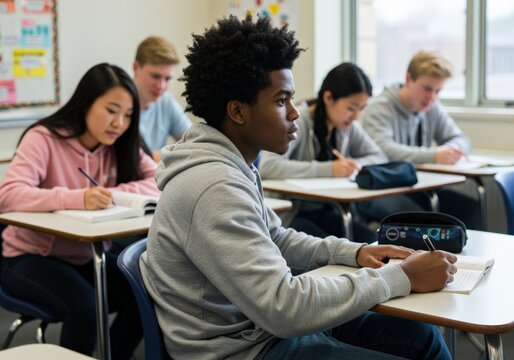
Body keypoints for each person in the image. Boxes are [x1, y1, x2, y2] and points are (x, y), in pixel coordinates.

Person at [140, 15, 456, 360]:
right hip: (242, 349)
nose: (294, 114)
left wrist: (354, 253)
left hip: (260, 329)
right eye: (281, 101)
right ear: (237, 111)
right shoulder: (213, 185)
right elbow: (284, 307)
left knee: (419, 338)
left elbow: (277, 238)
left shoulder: (232, 165)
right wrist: (401, 277)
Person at [0, 63, 160, 359]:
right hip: (29, 258)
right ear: (86, 102)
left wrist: (113, 194)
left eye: (127, 115)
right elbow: (8, 195)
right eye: (112, 110)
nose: (120, 123)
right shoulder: (44, 138)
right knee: (85, 306)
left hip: (87, 257)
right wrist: (77, 198)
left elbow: (159, 181)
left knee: (147, 293)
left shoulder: (119, 143)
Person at [258, 62, 387, 243]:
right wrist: (330, 169)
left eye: (362, 109)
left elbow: (380, 156)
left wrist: (355, 165)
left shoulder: (347, 127)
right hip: (293, 215)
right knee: (333, 248)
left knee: (371, 240)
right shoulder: (299, 121)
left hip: (328, 209)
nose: (356, 116)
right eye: (351, 108)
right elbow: (268, 167)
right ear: (328, 97)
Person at [361, 50, 481, 229]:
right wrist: (434, 156)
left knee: (470, 209)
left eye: (438, 91)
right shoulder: (379, 108)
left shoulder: (432, 107)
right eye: (427, 88)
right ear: (409, 79)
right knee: (423, 220)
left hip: (418, 187)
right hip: (381, 190)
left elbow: (461, 138)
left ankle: (466, 258)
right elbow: (383, 150)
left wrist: (452, 149)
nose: (432, 97)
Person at [133, 35, 192, 161]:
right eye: (155, 76)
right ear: (136, 68)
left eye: (167, 78)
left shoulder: (166, 101)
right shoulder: (119, 104)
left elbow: (195, 143)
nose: (161, 86)